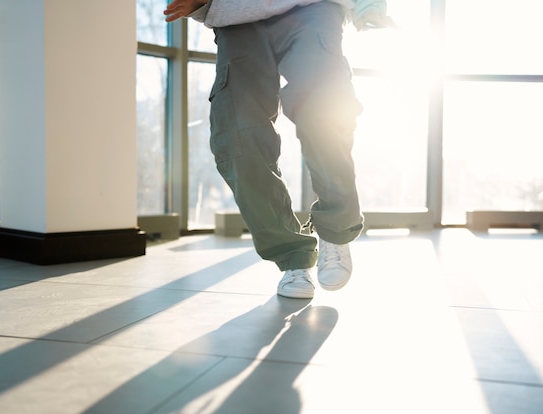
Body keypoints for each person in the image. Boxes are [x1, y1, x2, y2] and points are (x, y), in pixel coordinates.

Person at [164, 0, 391, 299]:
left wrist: (368, 6)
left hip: (312, 8)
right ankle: (292, 257)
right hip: (235, 18)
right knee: (237, 138)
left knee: (325, 112)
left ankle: (335, 231)